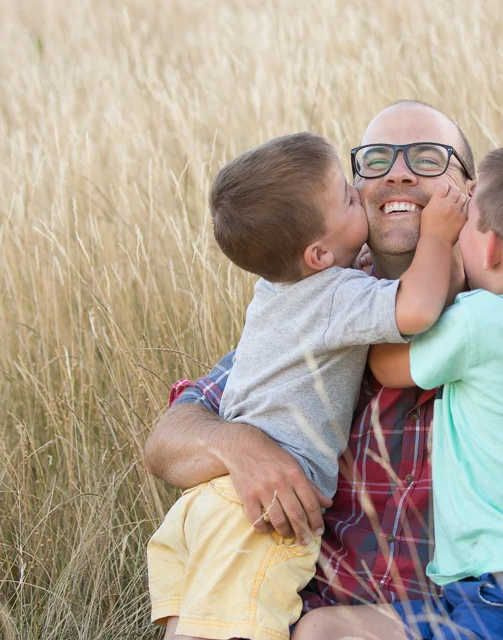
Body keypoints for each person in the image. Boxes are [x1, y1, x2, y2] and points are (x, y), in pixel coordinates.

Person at [145, 101, 503, 638]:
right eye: (377, 160)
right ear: (355, 191)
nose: (399, 175)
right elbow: (170, 436)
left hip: (469, 617)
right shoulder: (316, 306)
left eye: (428, 159)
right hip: (329, 620)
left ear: (473, 196)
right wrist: (239, 446)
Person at [146, 131, 468, 640]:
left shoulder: (279, 293)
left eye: (428, 160)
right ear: (318, 253)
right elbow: (418, 308)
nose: (368, 190)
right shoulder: (339, 296)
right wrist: (439, 237)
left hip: (209, 510)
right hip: (258, 518)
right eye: (349, 190)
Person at [294, 141, 503, 640]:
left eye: (464, 215)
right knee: (324, 630)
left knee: (323, 633)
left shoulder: (481, 322)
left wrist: (434, 250)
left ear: (492, 248)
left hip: (500, 596)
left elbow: (385, 361)